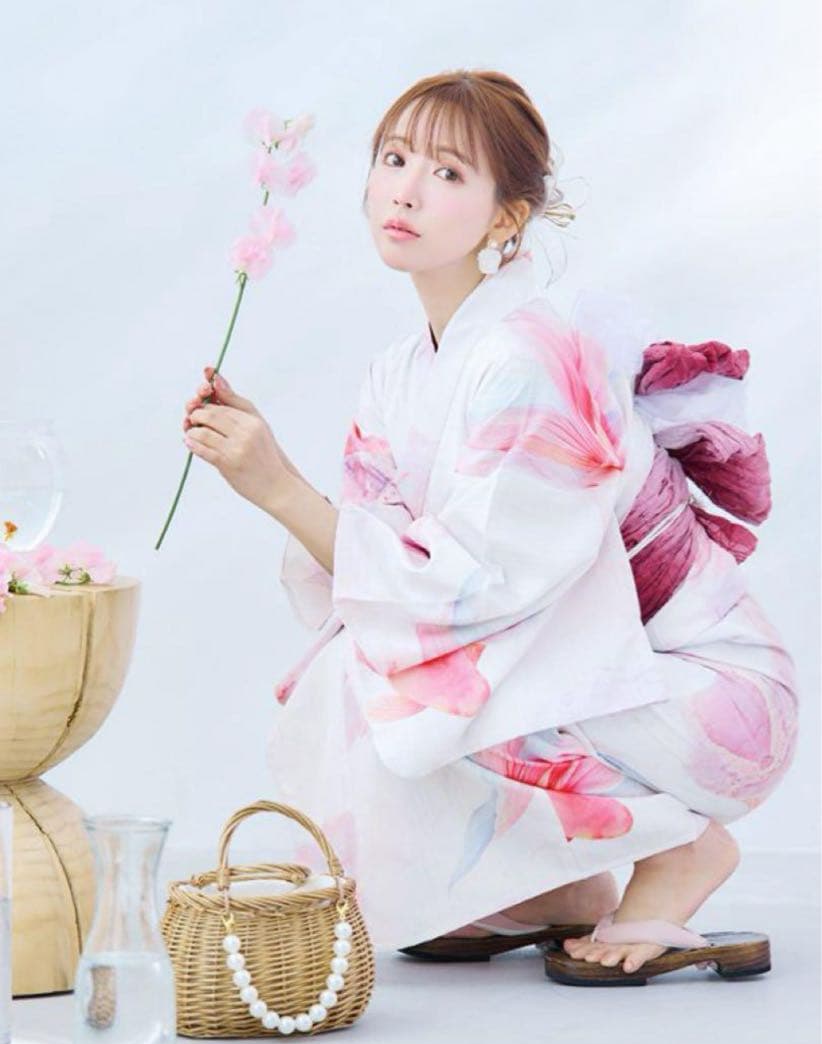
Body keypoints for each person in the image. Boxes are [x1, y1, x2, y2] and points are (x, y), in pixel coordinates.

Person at [182, 69, 799, 981]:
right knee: (364, 661)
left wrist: (276, 486)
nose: (405, 190)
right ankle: (560, 886)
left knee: (422, 686)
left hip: (707, 699)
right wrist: (272, 479)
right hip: (607, 688)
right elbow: (380, 575)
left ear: (506, 218)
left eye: (447, 173)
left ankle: (680, 848)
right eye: (395, 159)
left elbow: (473, 594)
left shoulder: (527, 358)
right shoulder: (400, 371)